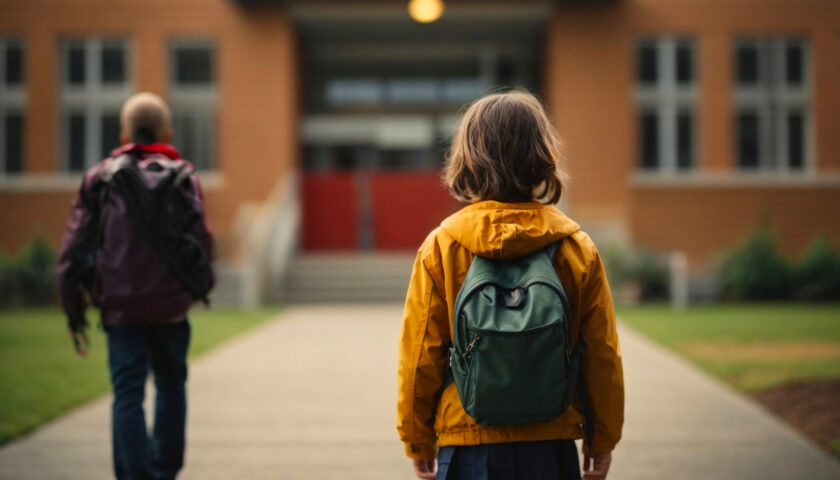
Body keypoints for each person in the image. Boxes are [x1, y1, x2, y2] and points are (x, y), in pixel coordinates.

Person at [396, 91, 624, 480]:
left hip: (466, 438)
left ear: (467, 159)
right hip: (550, 441)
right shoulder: (575, 248)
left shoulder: (442, 247)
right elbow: (600, 355)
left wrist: (417, 439)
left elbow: (420, 357)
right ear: (542, 156)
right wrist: (602, 440)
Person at [57, 92, 214, 480]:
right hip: (171, 307)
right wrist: (197, 290)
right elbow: (204, 243)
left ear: (125, 132)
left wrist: (74, 312)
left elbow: (73, 249)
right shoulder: (185, 177)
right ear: (167, 131)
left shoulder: (99, 178)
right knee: (171, 383)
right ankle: (164, 469)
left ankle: (135, 476)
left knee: (126, 390)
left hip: (120, 307)